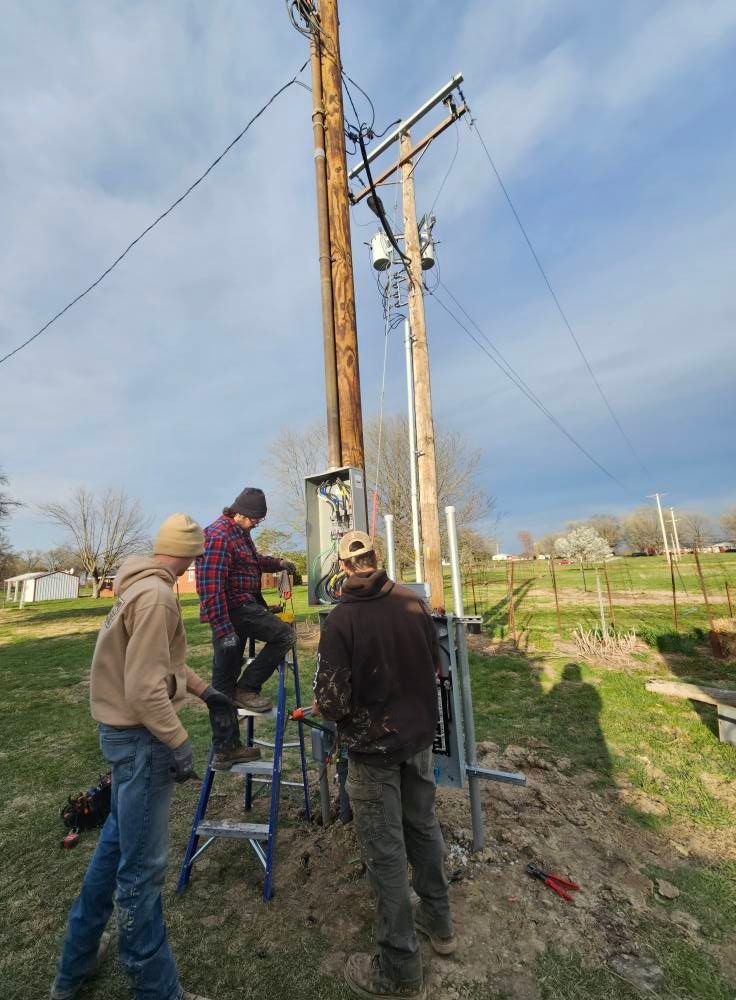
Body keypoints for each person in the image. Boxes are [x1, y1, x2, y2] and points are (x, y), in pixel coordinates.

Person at [50, 513, 252, 1000]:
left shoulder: (135, 587)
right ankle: (156, 988)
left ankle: (72, 971)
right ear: (189, 556)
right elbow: (144, 689)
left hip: (123, 737)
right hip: (142, 742)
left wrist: (206, 692)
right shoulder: (159, 597)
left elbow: (166, 664)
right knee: (143, 870)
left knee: (114, 849)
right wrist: (179, 742)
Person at [314, 530, 456, 1000]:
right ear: (377, 557)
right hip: (418, 741)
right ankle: (440, 924)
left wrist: (334, 708)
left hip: (373, 752)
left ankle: (399, 969)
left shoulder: (341, 621)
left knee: (385, 853)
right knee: (423, 827)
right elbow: (436, 666)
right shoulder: (413, 604)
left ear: (343, 566)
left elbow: (332, 704)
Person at [196, 487, 295, 715]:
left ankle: (231, 747)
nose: (255, 525)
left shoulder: (239, 532)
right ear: (239, 513)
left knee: (226, 679)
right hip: (232, 610)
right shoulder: (218, 536)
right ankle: (246, 690)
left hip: (244, 607)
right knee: (284, 636)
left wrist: (277, 563)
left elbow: (252, 561)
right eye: (254, 520)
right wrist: (224, 632)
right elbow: (211, 589)